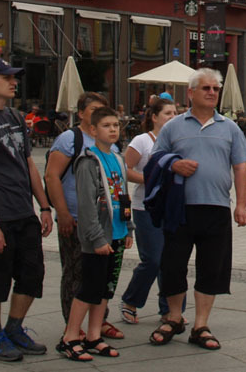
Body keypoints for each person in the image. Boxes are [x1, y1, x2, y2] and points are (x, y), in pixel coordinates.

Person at [146, 68, 246, 351]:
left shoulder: (229, 127)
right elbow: (154, 160)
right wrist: (174, 164)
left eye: (215, 88)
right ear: (191, 93)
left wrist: (241, 205)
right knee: (173, 265)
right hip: (180, 208)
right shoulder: (173, 126)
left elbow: (240, 168)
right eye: (206, 88)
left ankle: (201, 324)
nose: (212, 92)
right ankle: (174, 317)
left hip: (216, 208)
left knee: (211, 268)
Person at [0, 58, 54, 362]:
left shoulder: (15, 116)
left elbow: (29, 163)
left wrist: (44, 205)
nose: (14, 82)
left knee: (33, 274)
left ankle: (15, 327)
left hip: (23, 213)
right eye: (7, 77)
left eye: (14, 78)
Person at [57, 107, 132, 362]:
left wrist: (129, 228)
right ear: (92, 130)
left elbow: (123, 195)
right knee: (88, 289)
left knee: (104, 290)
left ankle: (93, 335)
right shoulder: (88, 161)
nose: (112, 129)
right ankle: (70, 337)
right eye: (106, 125)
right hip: (97, 238)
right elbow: (87, 204)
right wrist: (97, 237)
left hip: (117, 233)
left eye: (115, 125)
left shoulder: (119, 158)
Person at [45, 92, 120, 335]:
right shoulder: (70, 139)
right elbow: (51, 175)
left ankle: (98, 322)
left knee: (100, 275)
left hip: (105, 223)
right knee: (76, 273)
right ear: (81, 113)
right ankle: (72, 325)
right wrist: (62, 213)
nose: (100, 114)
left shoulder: (110, 143)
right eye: (94, 109)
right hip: (76, 217)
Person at [118, 96, 176, 326]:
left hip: (170, 207)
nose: (173, 117)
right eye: (168, 113)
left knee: (171, 260)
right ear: (154, 117)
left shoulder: (176, 140)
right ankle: (131, 300)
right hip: (145, 207)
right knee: (153, 259)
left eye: (175, 113)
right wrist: (150, 180)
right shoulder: (142, 141)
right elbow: (126, 169)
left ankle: (170, 309)